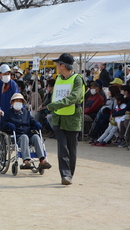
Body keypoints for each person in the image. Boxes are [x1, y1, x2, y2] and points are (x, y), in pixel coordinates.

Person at [47, 53, 86, 185]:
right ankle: (65, 175)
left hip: (72, 118)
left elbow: (75, 97)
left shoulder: (77, 79)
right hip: (58, 118)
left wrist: (55, 105)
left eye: (58, 64)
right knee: (62, 147)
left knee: (71, 148)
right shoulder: (58, 78)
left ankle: (69, 174)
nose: (57, 67)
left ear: (63, 65)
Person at [0, 93, 51, 169]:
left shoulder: (26, 113)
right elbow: (2, 125)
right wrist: (8, 125)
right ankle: (26, 160)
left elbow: (32, 120)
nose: (18, 102)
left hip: (28, 133)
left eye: (20, 101)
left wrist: (36, 123)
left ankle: (42, 160)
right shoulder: (8, 113)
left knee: (36, 137)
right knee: (24, 137)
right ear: (12, 102)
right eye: (16, 101)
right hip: (16, 135)